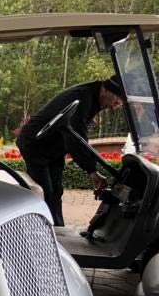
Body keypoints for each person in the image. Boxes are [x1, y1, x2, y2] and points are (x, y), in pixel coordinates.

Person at [16, 75, 125, 226]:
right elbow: (75, 136)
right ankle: (39, 231)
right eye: (115, 100)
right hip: (35, 144)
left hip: (52, 147)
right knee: (45, 191)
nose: (114, 106)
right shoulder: (83, 97)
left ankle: (57, 229)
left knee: (56, 191)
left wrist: (91, 168)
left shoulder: (93, 97)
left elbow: (76, 135)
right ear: (105, 89)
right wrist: (91, 170)